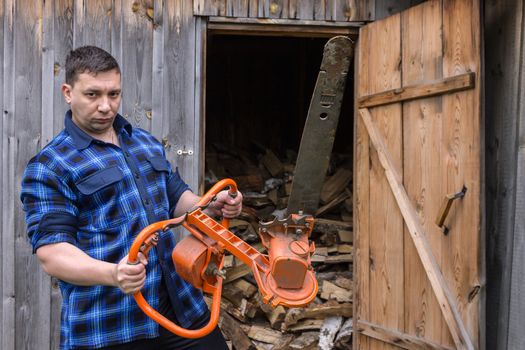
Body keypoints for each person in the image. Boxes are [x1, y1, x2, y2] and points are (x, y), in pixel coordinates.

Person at [20, 45, 242, 349]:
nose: (105, 106)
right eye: (93, 94)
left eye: (113, 94)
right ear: (68, 92)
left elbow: (179, 200)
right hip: (109, 323)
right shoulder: (50, 166)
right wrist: (114, 273)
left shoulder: (144, 143)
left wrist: (213, 204)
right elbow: (52, 254)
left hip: (179, 306)